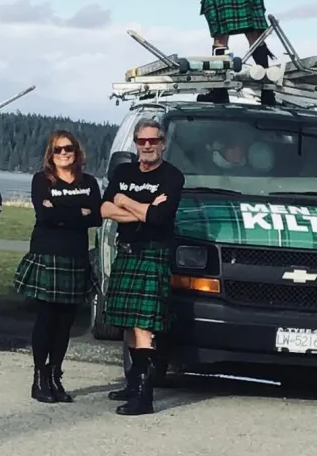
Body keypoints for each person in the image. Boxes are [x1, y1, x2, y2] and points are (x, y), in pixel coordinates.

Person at [100, 118, 185, 416]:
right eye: (142, 141)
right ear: (135, 143)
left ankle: (144, 398)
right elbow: (104, 208)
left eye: (153, 141)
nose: (147, 146)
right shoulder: (123, 171)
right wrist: (143, 210)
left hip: (152, 254)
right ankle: (133, 383)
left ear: (163, 143)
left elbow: (160, 219)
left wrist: (124, 200)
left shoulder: (172, 176)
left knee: (144, 327)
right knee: (127, 325)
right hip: (127, 252)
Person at [12, 130, 102, 404]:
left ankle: (55, 376)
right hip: (48, 254)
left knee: (66, 322)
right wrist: (77, 212)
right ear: (50, 154)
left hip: (75, 257)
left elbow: (96, 216)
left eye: (68, 149)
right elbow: (45, 215)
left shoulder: (89, 182)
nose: (63, 153)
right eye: (58, 150)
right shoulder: (42, 180)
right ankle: (39, 378)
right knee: (47, 318)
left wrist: (62, 211)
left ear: (77, 152)